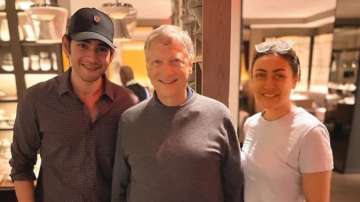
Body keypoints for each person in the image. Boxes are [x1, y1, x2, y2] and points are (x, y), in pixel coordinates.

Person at [9, 7, 137, 202]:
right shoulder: (36, 99)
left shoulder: (127, 103)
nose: (92, 57)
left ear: (111, 54)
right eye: (83, 45)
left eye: (101, 49)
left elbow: (135, 168)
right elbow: (21, 166)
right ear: (67, 45)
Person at [111, 25, 243, 202]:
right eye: (157, 62)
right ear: (148, 68)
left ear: (190, 64)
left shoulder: (218, 115)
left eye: (175, 61)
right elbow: (119, 188)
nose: (167, 71)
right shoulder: (130, 121)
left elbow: (234, 188)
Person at [241, 40, 333, 202]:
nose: (269, 85)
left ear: (295, 80)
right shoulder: (251, 124)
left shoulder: (311, 132)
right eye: (261, 75)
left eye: (279, 75)